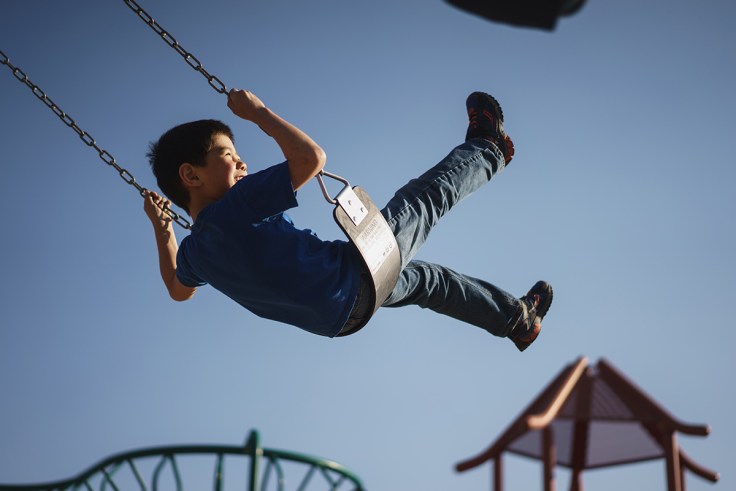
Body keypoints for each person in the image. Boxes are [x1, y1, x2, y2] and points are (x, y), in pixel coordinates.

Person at [143, 89, 552, 351]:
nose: (241, 161)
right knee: (422, 202)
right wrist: (259, 113)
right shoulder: (237, 206)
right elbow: (310, 159)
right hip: (351, 278)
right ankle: (489, 149)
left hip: (340, 317)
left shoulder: (195, 251)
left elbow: (178, 289)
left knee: (431, 283)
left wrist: (164, 233)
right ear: (191, 175)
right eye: (228, 155)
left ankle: (516, 320)